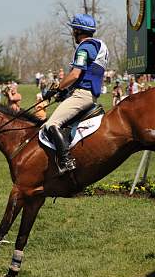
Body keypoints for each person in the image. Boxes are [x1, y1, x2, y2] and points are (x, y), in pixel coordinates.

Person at [42, 13, 108, 174]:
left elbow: (75, 74)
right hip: (86, 94)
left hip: (82, 95)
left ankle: (66, 161)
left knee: (51, 124)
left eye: (74, 30)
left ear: (78, 31)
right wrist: (65, 94)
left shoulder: (85, 47)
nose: (73, 33)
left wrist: (57, 88)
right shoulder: (97, 45)